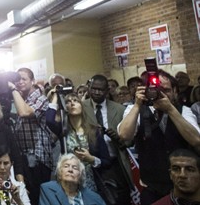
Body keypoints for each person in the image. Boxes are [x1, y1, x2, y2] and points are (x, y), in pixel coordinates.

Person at [118, 69, 200, 204]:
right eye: (157, 90)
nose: (161, 95)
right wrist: (138, 104)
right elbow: (124, 135)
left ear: (175, 92)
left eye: (166, 90)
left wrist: (170, 109)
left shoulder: (184, 111)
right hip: (151, 187)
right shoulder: (136, 110)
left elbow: (196, 140)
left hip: (183, 186)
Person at [45, 92, 111, 195]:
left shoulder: (94, 131)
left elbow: (107, 161)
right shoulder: (63, 130)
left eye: (75, 101)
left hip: (91, 183)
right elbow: (49, 119)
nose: (72, 103)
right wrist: (56, 96)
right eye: (68, 102)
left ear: (82, 105)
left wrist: (91, 159)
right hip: (69, 182)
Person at [83, 74, 133, 205]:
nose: (96, 92)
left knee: (120, 198)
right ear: (89, 88)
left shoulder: (119, 109)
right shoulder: (82, 107)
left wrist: (118, 138)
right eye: (93, 89)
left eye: (100, 90)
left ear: (107, 91)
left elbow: (130, 140)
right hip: (90, 162)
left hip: (115, 162)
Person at [8, 68, 52, 205]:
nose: (20, 82)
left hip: (38, 158)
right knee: (24, 197)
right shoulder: (18, 98)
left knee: (37, 198)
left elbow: (24, 112)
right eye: (17, 79)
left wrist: (13, 89)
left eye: (24, 79)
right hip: (22, 158)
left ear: (32, 81)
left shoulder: (41, 98)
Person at [39, 154, 106, 205]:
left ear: (80, 175)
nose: (70, 170)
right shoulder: (48, 189)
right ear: (60, 173)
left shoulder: (95, 198)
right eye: (66, 166)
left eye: (75, 167)